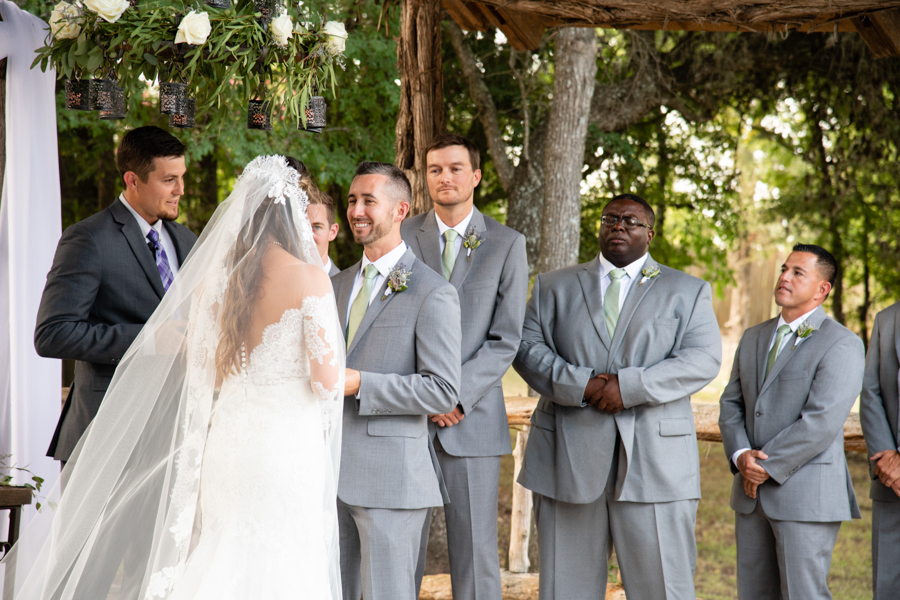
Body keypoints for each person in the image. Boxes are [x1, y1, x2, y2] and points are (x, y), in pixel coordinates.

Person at [1, 155, 345, 600]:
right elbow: (325, 382)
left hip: (229, 444)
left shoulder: (220, 281)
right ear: (293, 215)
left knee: (225, 550)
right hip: (284, 446)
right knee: (284, 555)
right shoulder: (311, 280)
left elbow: (204, 372)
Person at [513, 193, 721, 600]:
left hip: (655, 465)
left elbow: (702, 358)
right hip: (566, 458)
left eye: (631, 220)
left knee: (663, 588)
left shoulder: (687, 291)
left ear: (650, 233)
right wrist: (583, 385)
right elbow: (527, 349)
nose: (619, 226)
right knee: (565, 590)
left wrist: (629, 388)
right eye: (611, 218)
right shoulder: (552, 286)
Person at [403, 134, 528, 600]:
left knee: (475, 553)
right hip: (407, 416)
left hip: (470, 417)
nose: (445, 177)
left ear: (475, 176)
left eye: (455, 168)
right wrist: (421, 394)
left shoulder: (506, 244)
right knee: (400, 547)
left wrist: (453, 396)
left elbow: (506, 337)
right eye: (435, 169)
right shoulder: (402, 236)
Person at [331, 161, 461, 600]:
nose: (357, 210)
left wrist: (361, 383)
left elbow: (442, 389)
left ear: (401, 209)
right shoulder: (335, 285)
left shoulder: (432, 291)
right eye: (352, 200)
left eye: (369, 200)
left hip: (392, 481)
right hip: (326, 473)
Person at [35, 125, 198, 464]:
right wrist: (149, 339)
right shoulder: (88, 239)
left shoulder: (188, 241)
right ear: (132, 180)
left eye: (181, 177)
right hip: (105, 437)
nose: (181, 190)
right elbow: (52, 334)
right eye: (169, 179)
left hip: (173, 439)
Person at [719, 244, 864, 600]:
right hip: (750, 495)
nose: (784, 276)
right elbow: (731, 404)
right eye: (784, 268)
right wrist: (741, 457)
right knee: (753, 594)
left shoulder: (842, 344)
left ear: (822, 289)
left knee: (804, 595)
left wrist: (764, 467)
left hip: (805, 494)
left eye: (797, 272)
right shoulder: (754, 337)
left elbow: (821, 422)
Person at [858, 300, 900, 600]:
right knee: (887, 585)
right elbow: (870, 391)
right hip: (890, 479)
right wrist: (888, 456)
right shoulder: (887, 319)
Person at [285, 156, 340, 275]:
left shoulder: (347, 287)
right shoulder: (284, 278)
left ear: (333, 232)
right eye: (302, 227)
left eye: (317, 227)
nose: (307, 236)